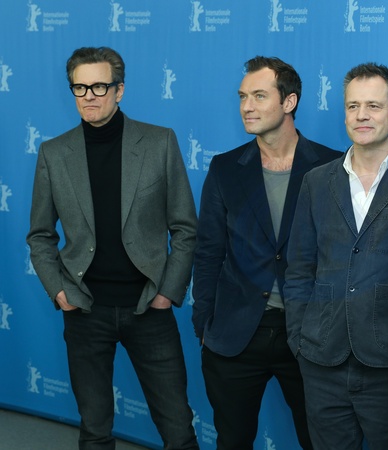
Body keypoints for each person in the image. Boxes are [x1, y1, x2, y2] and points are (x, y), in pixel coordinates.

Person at [26, 46, 199, 450]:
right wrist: (59, 291)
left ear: (119, 90)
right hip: (85, 309)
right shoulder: (54, 153)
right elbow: (40, 235)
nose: (89, 95)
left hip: (148, 307)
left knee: (178, 428)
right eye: (80, 87)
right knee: (95, 430)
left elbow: (186, 227)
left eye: (99, 86)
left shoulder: (159, 142)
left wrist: (167, 292)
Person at [284, 62, 388, 450]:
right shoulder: (316, 181)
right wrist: (298, 339)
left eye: (373, 106)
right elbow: (299, 266)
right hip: (321, 360)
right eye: (353, 106)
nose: (362, 115)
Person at [191, 56, 341, 450]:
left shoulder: (333, 166)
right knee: (233, 440)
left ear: (289, 102)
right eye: (243, 97)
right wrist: (204, 321)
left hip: (309, 333)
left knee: (322, 441)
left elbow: (343, 254)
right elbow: (208, 250)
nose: (247, 106)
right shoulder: (225, 168)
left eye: (259, 96)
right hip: (236, 334)